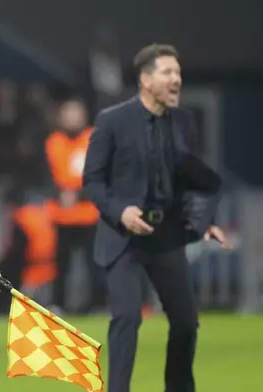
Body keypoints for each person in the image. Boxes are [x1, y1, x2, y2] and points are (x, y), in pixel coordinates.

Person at [83, 43, 231, 392]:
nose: (176, 79)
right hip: (124, 237)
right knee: (128, 317)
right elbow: (92, 180)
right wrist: (121, 210)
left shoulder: (183, 121)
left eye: (178, 72)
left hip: (166, 234)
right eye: (168, 72)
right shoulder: (112, 121)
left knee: (185, 322)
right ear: (146, 80)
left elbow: (186, 177)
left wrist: (202, 219)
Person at [44, 98, 102, 313]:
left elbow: (102, 177)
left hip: (89, 215)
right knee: (60, 264)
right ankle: (58, 304)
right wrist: (59, 194)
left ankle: (96, 304)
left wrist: (79, 195)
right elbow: (45, 177)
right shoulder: (53, 142)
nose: (72, 118)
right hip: (61, 216)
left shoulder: (94, 139)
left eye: (75, 114)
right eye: (68, 114)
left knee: (94, 264)